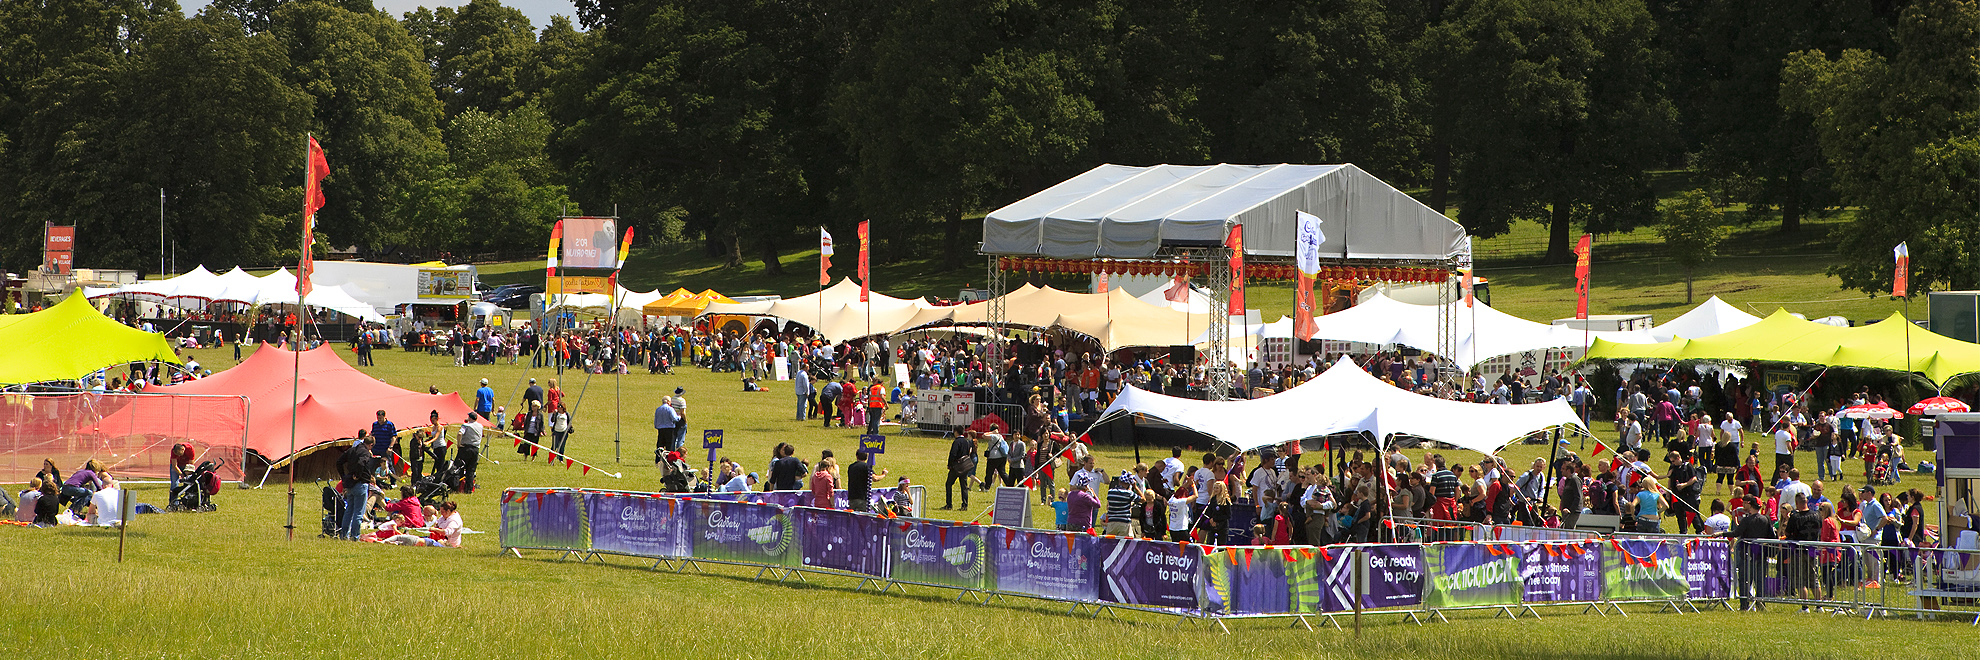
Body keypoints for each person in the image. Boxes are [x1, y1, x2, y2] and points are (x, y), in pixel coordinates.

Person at [1731, 497, 1774, 610]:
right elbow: (1772, 536)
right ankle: (1760, 603)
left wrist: (1723, 533)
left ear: (1751, 506)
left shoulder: (1746, 520)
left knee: (1745, 580)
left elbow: (1737, 532)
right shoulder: (1766, 519)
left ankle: (1744, 605)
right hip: (1761, 554)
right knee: (1760, 580)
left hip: (1747, 554)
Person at [337, 437, 376, 540]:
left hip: (350, 484)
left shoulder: (351, 450)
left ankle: (344, 534)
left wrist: (344, 477)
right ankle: (355, 536)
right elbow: (361, 463)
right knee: (359, 512)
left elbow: (339, 462)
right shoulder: (365, 452)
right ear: (371, 445)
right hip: (361, 483)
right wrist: (357, 475)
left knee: (349, 510)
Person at [387, 500, 464, 547]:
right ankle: (387, 541)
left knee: (418, 541)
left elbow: (447, 532)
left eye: (443, 512)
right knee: (412, 537)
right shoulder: (445, 517)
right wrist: (436, 527)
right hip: (436, 538)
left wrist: (434, 529)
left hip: (447, 543)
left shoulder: (454, 520)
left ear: (448, 511)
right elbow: (438, 523)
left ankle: (396, 543)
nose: (442, 514)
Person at [944, 432, 977, 510]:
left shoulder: (956, 442)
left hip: (956, 467)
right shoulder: (966, 441)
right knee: (964, 486)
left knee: (948, 484)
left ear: (956, 432)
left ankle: (949, 504)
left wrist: (950, 464)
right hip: (964, 467)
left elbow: (953, 454)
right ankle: (964, 505)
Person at [1103, 472, 1141, 537]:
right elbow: (1143, 499)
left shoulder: (1111, 492)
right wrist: (1135, 487)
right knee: (1125, 544)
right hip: (1124, 522)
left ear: (1119, 481)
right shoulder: (1129, 493)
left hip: (1112, 522)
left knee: (1110, 543)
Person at [457, 412, 483, 494]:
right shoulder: (480, 426)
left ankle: (458, 486)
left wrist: (458, 444)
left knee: (459, 468)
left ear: (470, 418)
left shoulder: (466, 425)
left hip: (465, 448)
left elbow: (460, 433)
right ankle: (469, 489)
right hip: (475, 449)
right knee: (471, 470)